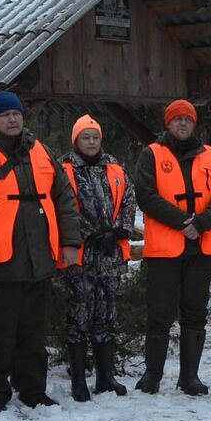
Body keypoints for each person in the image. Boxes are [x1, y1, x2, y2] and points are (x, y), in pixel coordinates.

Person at [0, 91, 80, 410]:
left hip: (39, 259)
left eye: (17, 114)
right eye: (5, 115)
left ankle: (33, 391)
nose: (12, 119)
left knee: (33, 333)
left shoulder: (41, 152)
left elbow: (65, 199)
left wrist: (71, 242)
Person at [131, 98, 211, 395]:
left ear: (194, 123)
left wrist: (202, 222)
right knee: (159, 312)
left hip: (201, 246)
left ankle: (190, 377)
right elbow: (146, 195)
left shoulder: (210, 154)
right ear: (168, 123)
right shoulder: (152, 154)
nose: (182, 123)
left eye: (187, 119)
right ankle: (153, 375)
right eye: (177, 119)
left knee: (195, 311)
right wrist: (184, 221)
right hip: (165, 250)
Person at [57, 114, 137, 401]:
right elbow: (62, 207)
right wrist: (90, 233)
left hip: (110, 253)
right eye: (85, 137)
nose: (91, 142)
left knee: (107, 315)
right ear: (75, 140)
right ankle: (78, 380)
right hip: (80, 254)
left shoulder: (115, 167)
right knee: (79, 317)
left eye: (95, 137)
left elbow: (129, 199)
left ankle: (106, 377)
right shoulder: (64, 169)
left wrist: (118, 232)